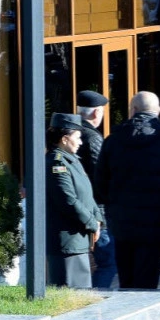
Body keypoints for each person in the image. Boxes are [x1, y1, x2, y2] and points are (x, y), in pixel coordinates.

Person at [94, 91, 160, 289]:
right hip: (155, 225)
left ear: (133, 110)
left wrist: (113, 209)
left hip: (122, 224)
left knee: (126, 279)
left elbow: (100, 184)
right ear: (158, 112)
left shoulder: (113, 141)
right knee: (148, 280)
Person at [46, 112, 102, 288]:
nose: (80, 142)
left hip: (79, 239)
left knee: (82, 293)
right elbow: (68, 201)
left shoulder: (73, 160)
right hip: (67, 241)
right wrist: (92, 223)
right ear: (64, 139)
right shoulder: (57, 164)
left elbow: (87, 194)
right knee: (72, 293)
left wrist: (98, 219)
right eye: (77, 137)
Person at [76, 90, 116, 288]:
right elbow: (101, 175)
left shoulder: (72, 132)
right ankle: (96, 300)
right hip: (96, 210)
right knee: (108, 263)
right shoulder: (92, 138)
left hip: (80, 208)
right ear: (96, 113)